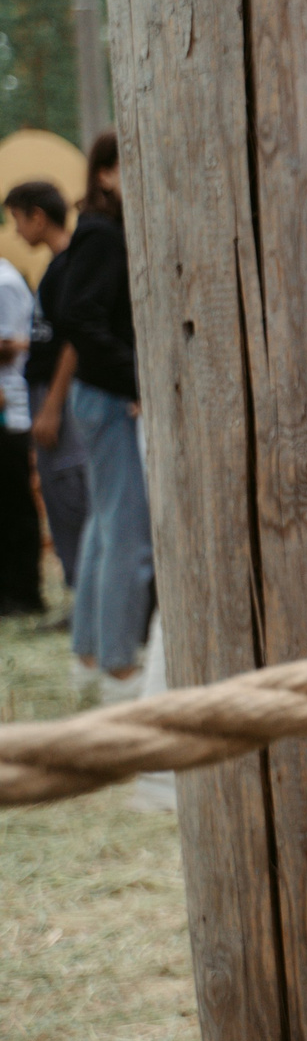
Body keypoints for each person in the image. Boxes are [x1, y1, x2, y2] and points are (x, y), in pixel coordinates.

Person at [52, 132, 150, 685]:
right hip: (110, 399)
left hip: (101, 395)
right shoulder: (101, 236)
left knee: (104, 525)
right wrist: (137, 379)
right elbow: (79, 319)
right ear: (107, 173)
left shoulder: (98, 232)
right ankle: (118, 665)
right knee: (128, 535)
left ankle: (88, 654)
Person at [4, 179, 84, 613]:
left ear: (37, 216)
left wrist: (52, 406)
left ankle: (86, 603)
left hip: (60, 400)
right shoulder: (54, 268)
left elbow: (73, 339)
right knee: (56, 495)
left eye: (17, 219)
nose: (16, 232)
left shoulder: (70, 265)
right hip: (46, 394)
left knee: (71, 495)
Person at [0, 251, 39, 615]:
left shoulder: (5, 283)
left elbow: (13, 344)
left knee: (15, 506)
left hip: (10, 410)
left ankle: (25, 594)